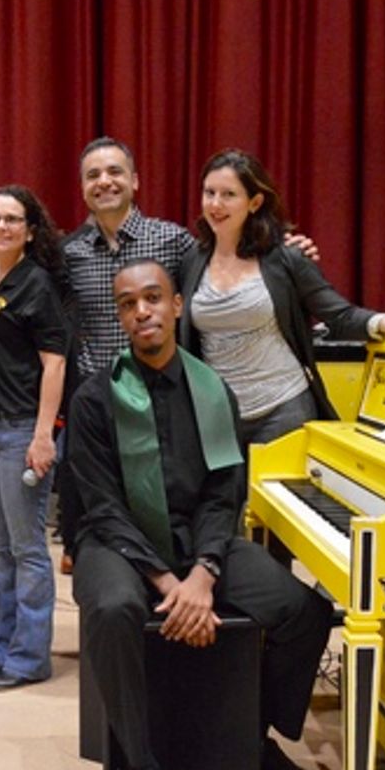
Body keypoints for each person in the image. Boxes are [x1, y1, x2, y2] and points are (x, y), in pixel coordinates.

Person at [71, 258, 335, 770]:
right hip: (119, 544)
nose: (142, 311)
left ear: (176, 306)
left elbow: (224, 493)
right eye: (128, 304)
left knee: (302, 611)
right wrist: (171, 584)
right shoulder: (96, 398)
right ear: (120, 316)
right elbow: (103, 505)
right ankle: (140, 768)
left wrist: (205, 571)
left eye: (153, 299)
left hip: (199, 545)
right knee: (113, 609)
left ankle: (254, 738)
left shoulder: (213, 390)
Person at [61, 137, 321, 571]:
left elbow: (233, 259)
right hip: (100, 414)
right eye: (93, 175)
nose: (104, 182)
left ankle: (202, 608)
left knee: (190, 526)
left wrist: (288, 252)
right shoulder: (67, 254)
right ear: (82, 187)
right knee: (96, 542)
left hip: (165, 408)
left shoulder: (175, 242)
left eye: (114, 172)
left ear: (135, 181)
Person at [180, 149, 385, 448]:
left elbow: (338, 314)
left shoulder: (285, 258)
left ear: (254, 202)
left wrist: (383, 321)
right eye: (209, 192)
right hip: (218, 417)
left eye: (228, 194)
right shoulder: (191, 261)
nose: (215, 204)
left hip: (283, 410)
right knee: (226, 497)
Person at [0, 185, 70, 691]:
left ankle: (30, 656)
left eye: (12, 220)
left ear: (31, 231)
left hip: (20, 430)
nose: (0, 227)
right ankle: (4, 645)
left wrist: (44, 435)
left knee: (28, 548)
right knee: (1, 546)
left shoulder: (38, 286)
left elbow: (55, 364)